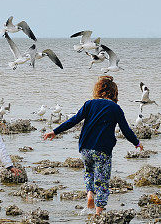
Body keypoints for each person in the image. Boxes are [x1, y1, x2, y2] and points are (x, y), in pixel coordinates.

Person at [43, 75, 143, 214]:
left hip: (85, 148)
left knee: (89, 172)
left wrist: (55, 131)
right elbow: (125, 130)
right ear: (114, 92)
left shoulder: (89, 104)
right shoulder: (115, 108)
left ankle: (90, 193)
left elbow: (73, 120)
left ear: (98, 90)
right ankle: (98, 212)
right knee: (102, 180)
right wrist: (136, 142)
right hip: (102, 150)